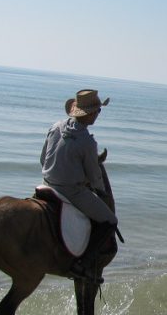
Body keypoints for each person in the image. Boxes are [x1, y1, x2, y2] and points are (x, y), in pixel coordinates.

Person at [40, 89, 117, 282]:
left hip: (45, 185)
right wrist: (99, 192)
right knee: (109, 221)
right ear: (90, 113)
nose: (98, 115)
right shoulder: (87, 142)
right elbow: (95, 178)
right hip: (70, 191)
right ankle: (81, 265)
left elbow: (43, 159)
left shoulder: (55, 127)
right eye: (98, 111)